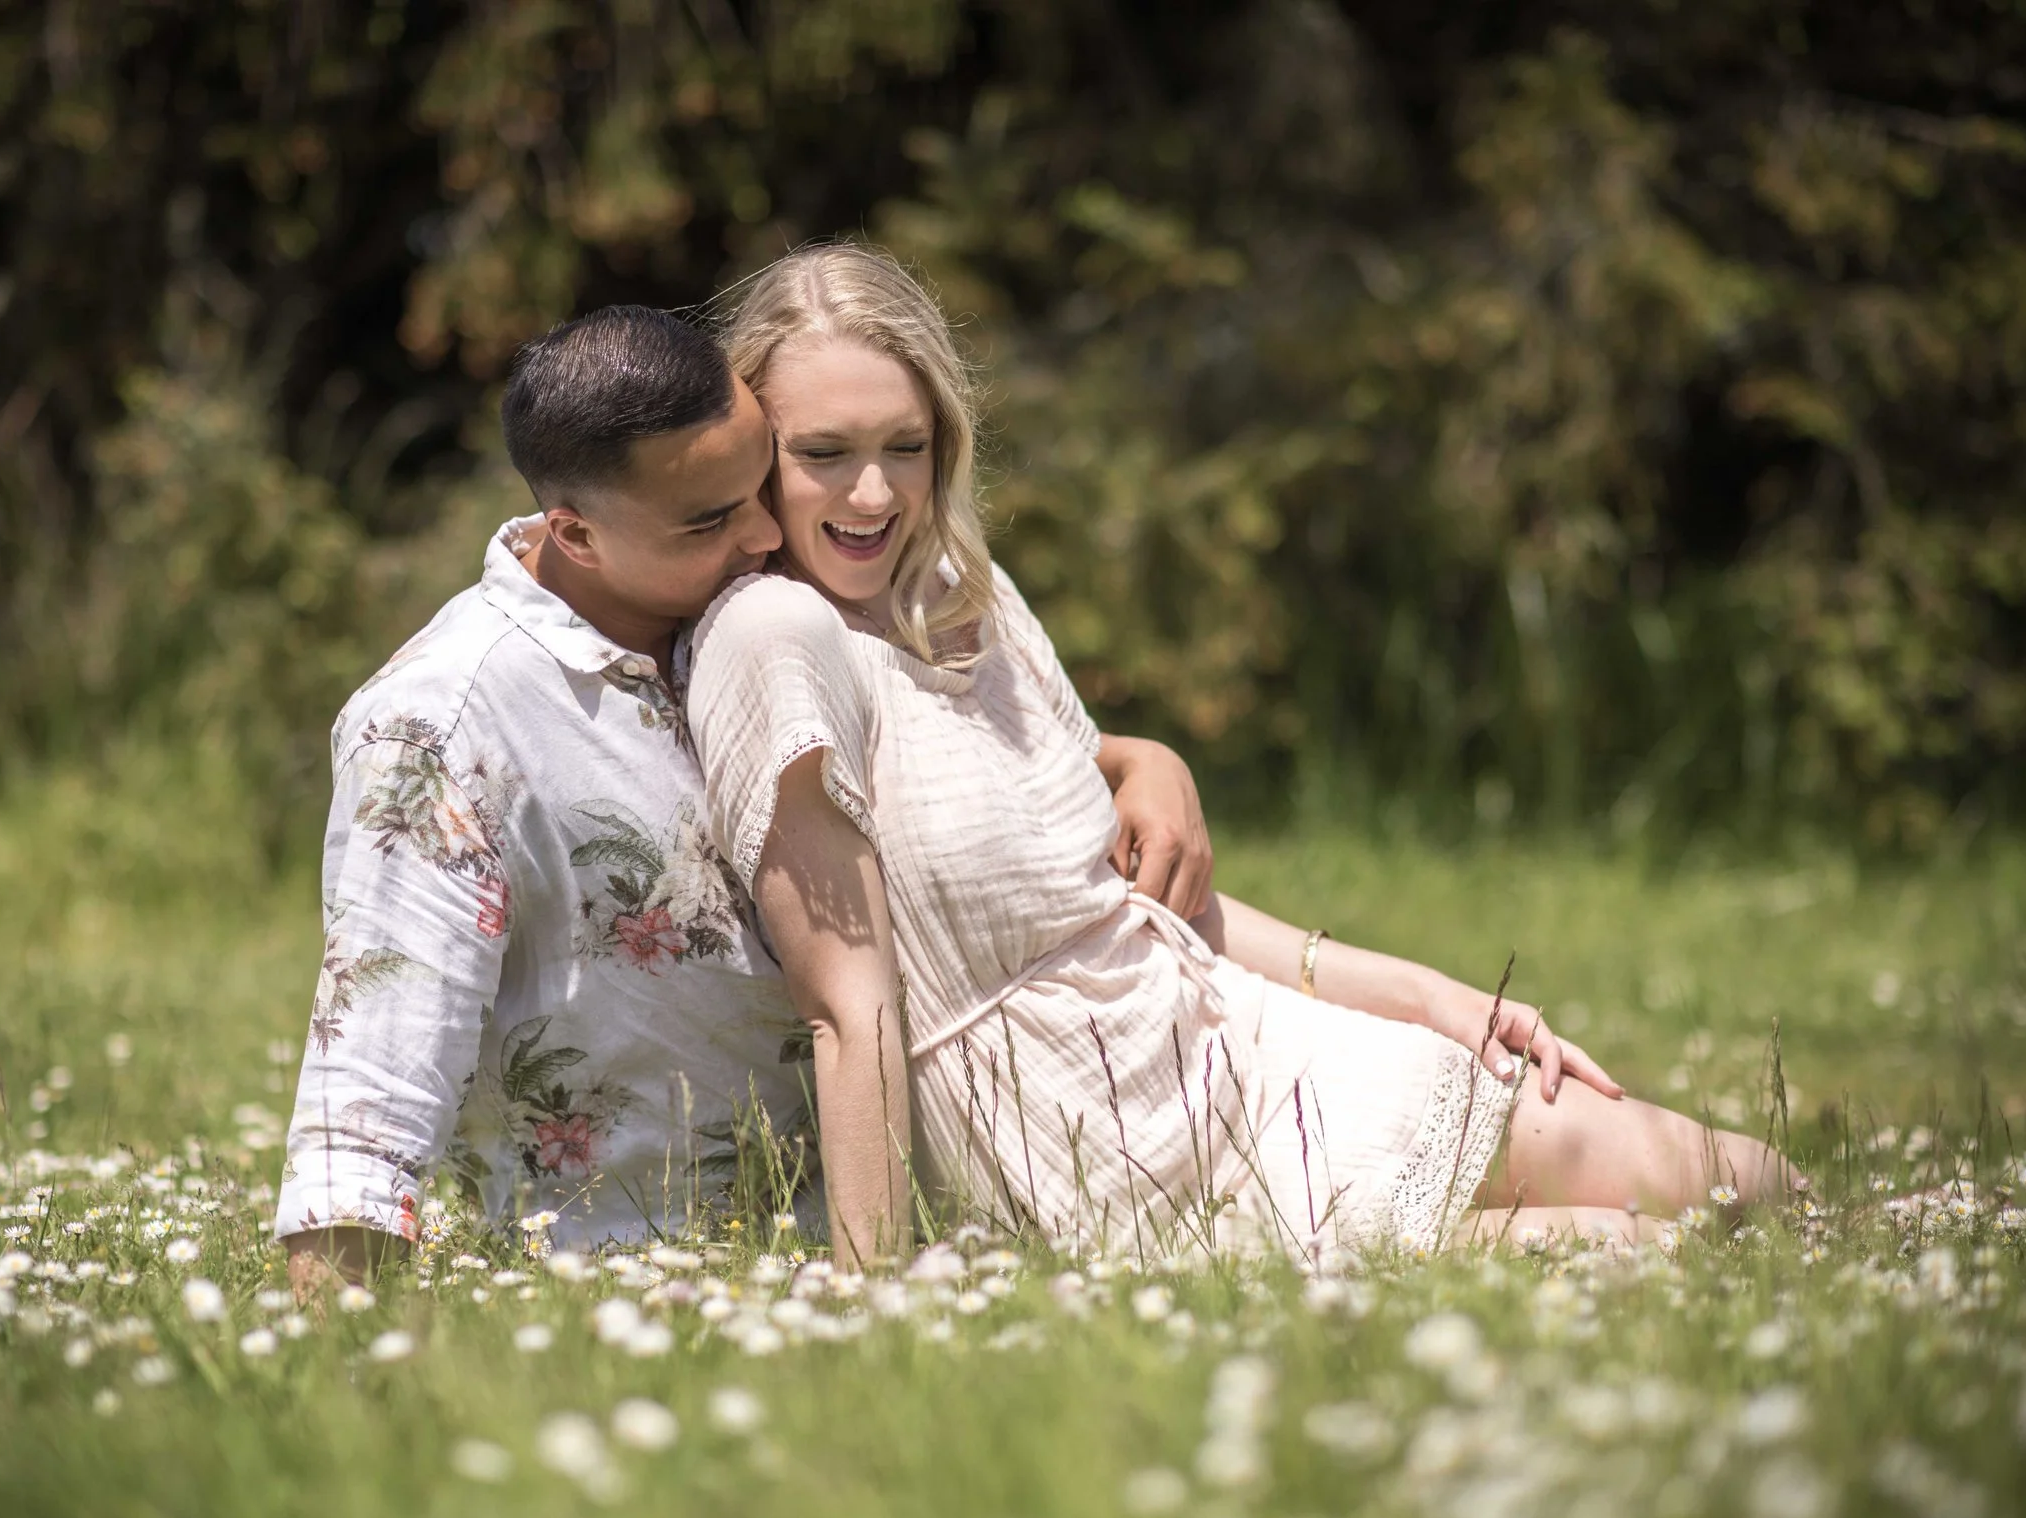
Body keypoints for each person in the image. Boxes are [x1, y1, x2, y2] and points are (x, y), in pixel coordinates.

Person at [685, 244, 1802, 1268]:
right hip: (1095, 1143)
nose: (874, 494)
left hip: (1230, 1041)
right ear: (749, 459)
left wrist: (1429, 997)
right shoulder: (776, 640)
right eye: (824, 455)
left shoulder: (955, 590)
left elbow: (1136, 901)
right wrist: (871, 1291)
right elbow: (851, 1007)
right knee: (1635, 1251)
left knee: (1758, 1184)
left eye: (905, 448)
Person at [275, 304, 1216, 1296]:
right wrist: (334, 1378)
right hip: (645, 1284)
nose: (766, 531)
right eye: (712, 516)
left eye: (759, 485)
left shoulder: (729, 603)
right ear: (576, 534)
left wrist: (1130, 759)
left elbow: (945, 761)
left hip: (926, 1235)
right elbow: (370, 1088)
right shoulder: (442, 724)